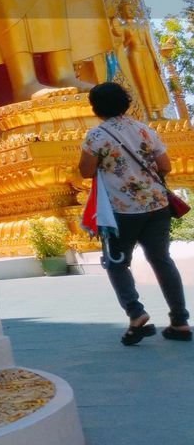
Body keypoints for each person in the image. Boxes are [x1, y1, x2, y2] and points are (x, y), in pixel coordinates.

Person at [78, 81, 189, 345]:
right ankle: (180, 321)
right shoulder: (143, 130)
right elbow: (165, 165)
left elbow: (85, 170)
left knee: (116, 262)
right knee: (162, 260)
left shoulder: (96, 136)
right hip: (156, 205)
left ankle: (136, 313)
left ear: (95, 107)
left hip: (122, 210)